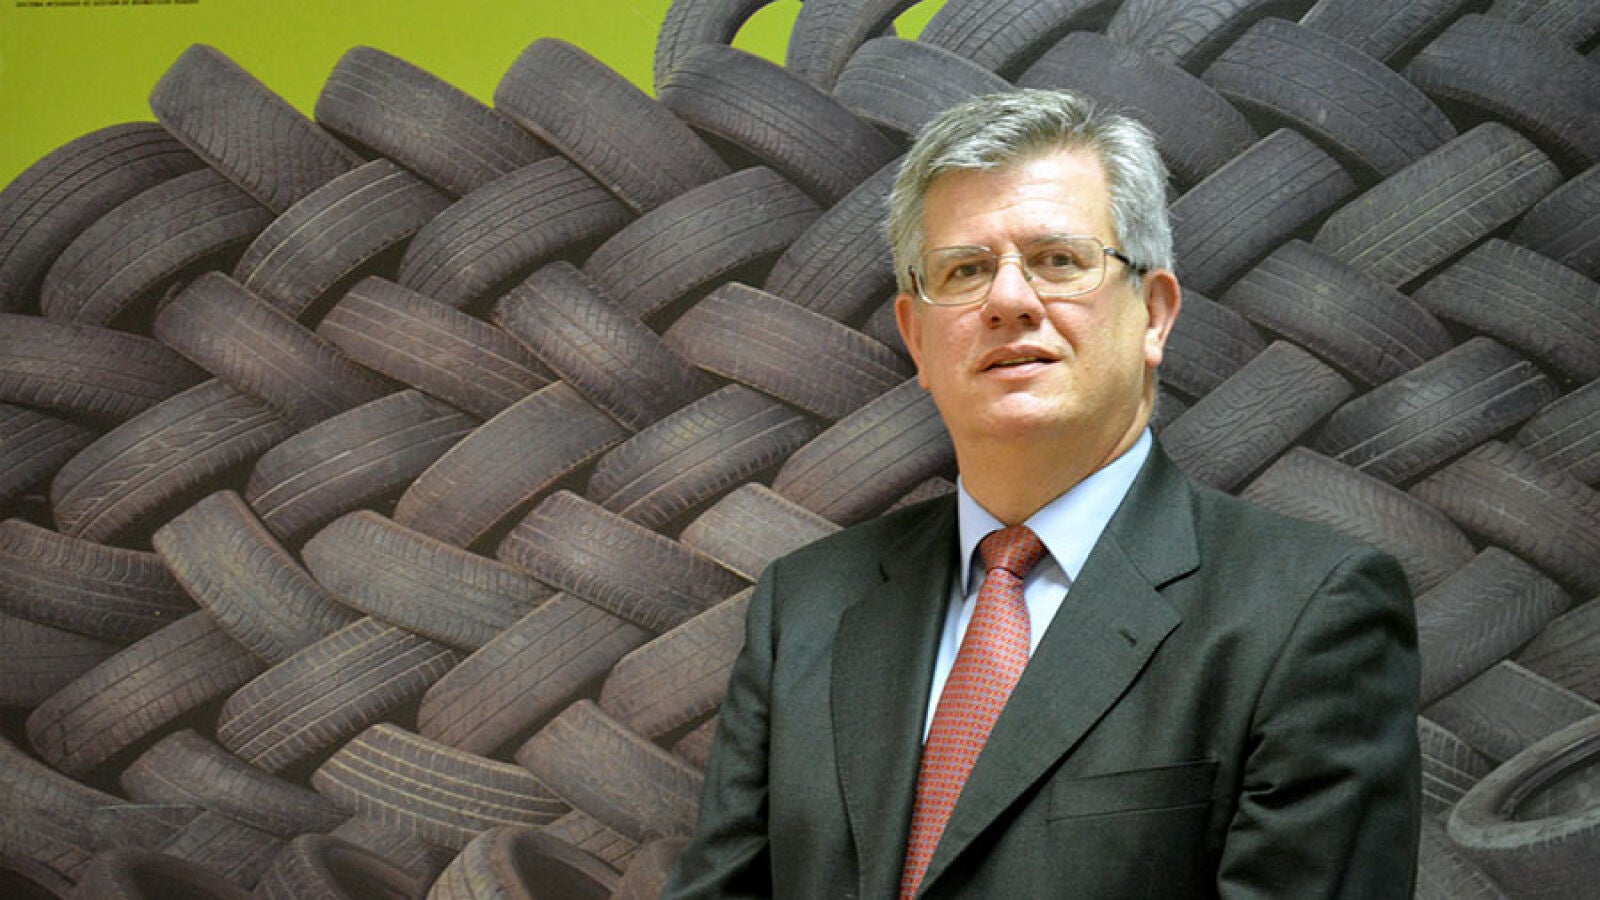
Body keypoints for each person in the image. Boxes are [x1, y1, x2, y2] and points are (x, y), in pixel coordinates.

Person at [663, 88, 1420, 899]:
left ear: (1155, 314)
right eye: (965, 270)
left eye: (1058, 260)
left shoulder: (1309, 613)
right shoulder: (806, 607)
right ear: (917, 337)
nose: (1009, 300)